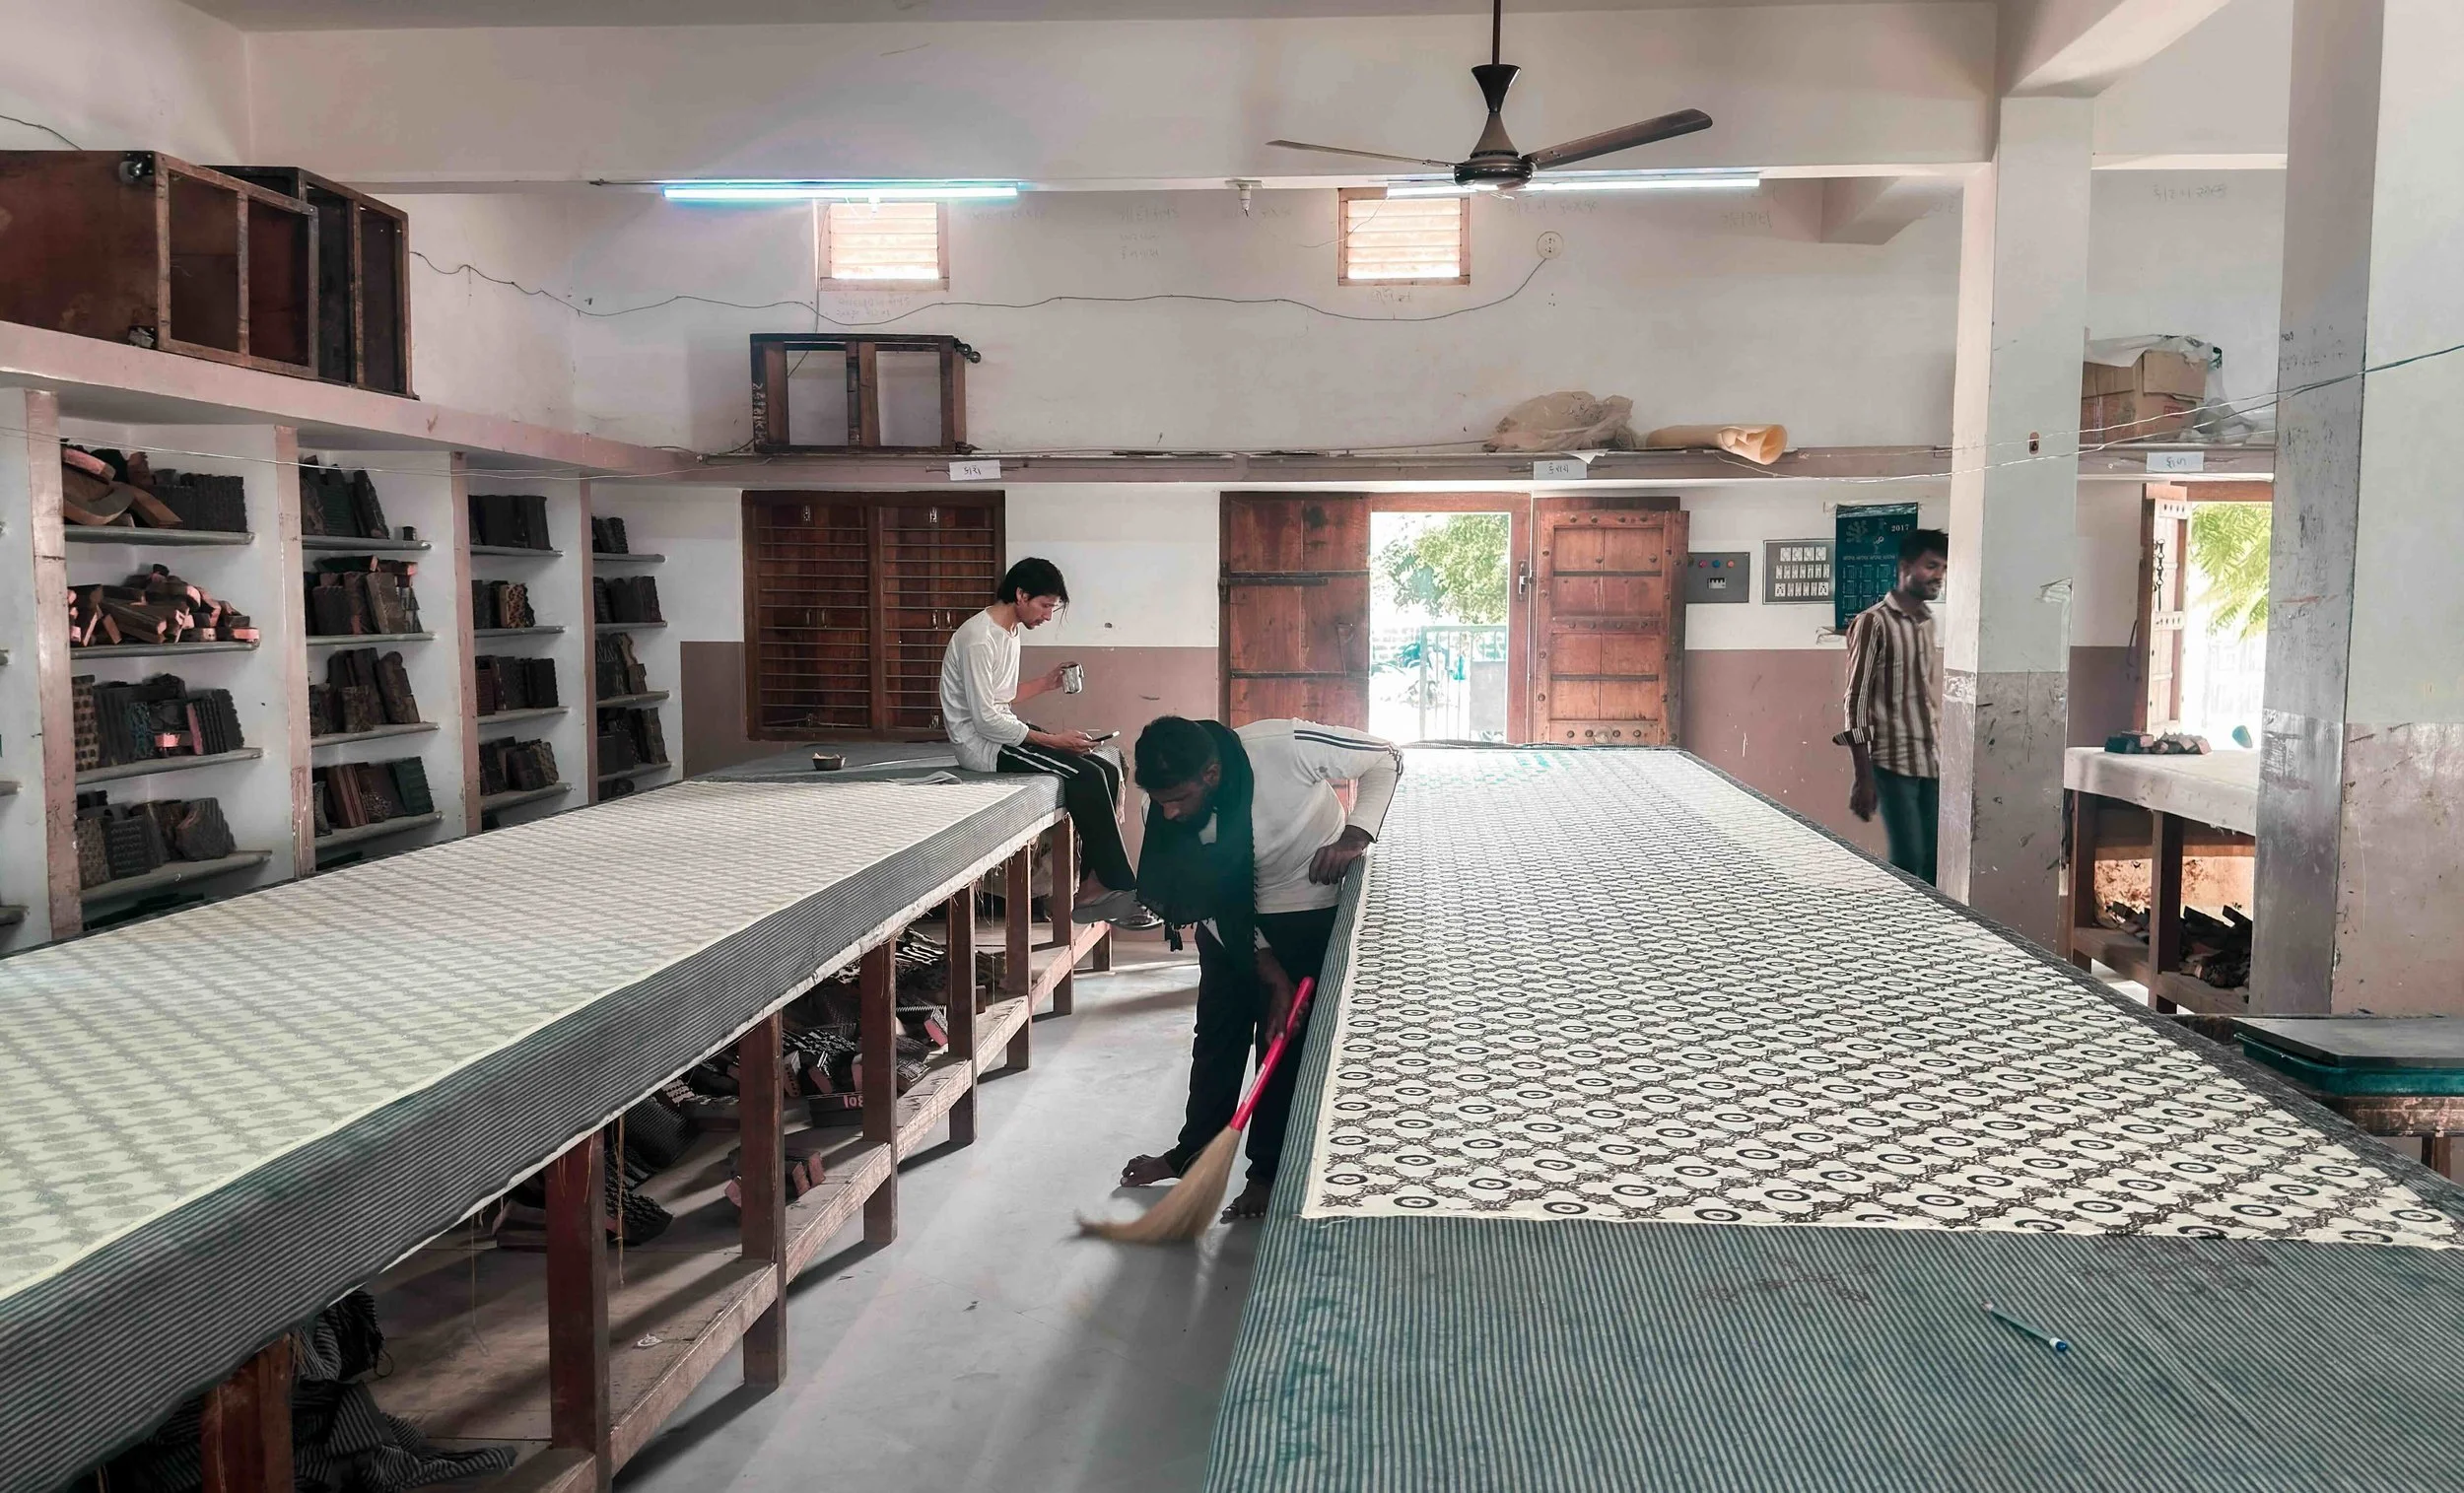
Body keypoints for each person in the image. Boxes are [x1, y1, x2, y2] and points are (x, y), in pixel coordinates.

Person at [1119, 714, 1403, 1221]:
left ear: (1210, 774)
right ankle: (1194, 1154)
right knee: (1217, 1039)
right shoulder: (1162, 809)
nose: (1171, 811)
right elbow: (1197, 897)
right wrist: (1270, 972)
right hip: (1228, 921)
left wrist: (1355, 835)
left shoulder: (1282, 746)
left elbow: (1387, 757)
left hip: (1307, 903)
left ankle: (1267, 1173)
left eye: (1179, 798)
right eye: (1161, 800)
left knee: (1282, 1043)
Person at [939, 558, 1150, 926]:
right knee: (1083, 775)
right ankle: (1120, 887)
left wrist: (1048, 682)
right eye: (1045, 606)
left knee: (1101, 766)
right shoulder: (978, 638)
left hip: (1000, 731)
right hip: (982, 747)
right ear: (1020, 595)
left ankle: (1093, 885)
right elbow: (985, 718)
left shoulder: (1009, 632)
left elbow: (1001, 695)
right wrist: (1054, 740)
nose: (1048, 616)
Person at [1840, 527, 1947, 884]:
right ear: (1905, 566)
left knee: (1935, 861)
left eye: (1943, 568)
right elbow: (1855, 699)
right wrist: (1862, 776)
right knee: (1908, 859)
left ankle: (1933, 936)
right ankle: (1902, 935)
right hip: (1891, 761)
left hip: (1931, 761)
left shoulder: (1928, 623)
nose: (1938, 576)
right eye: (1931, 566)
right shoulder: (1872, 622)